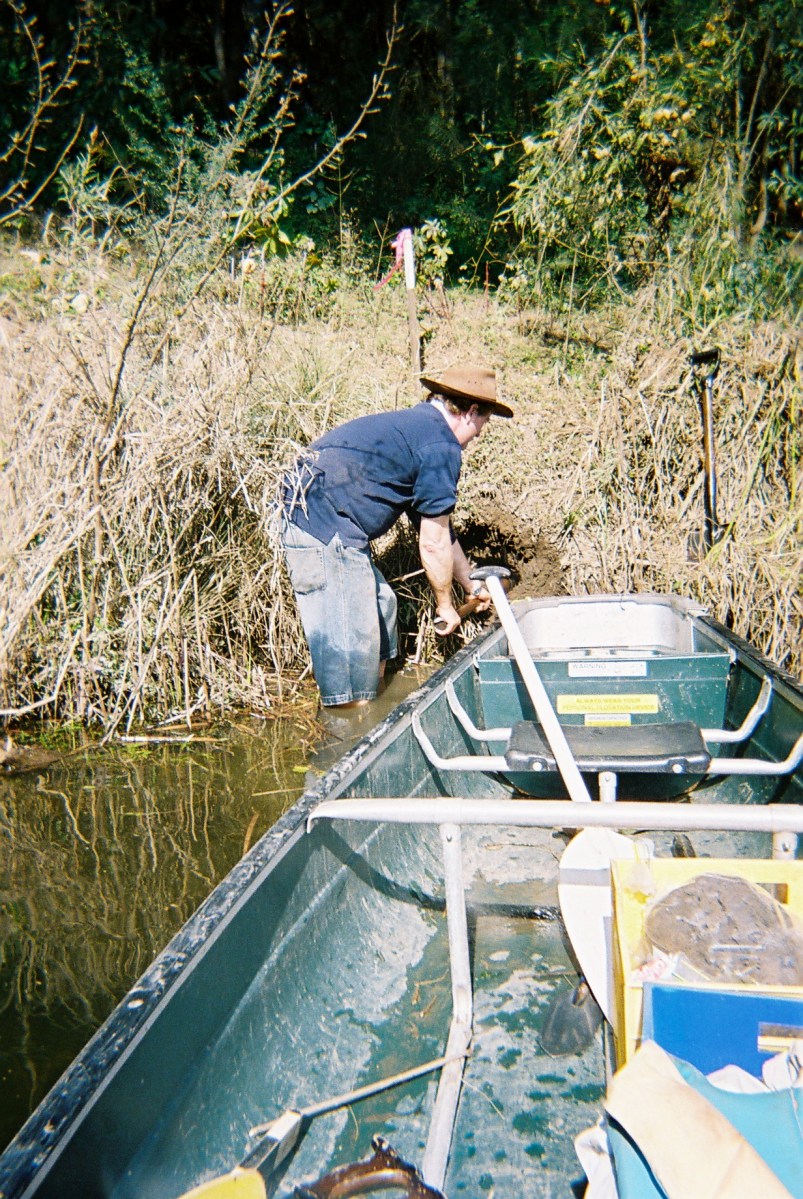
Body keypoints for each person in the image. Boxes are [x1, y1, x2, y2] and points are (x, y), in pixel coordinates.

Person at [279, 363, 513, 708]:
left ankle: (374, 703)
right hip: (321, 525)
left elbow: (439, 528)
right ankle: (352, 719)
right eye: (482, 425)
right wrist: (445, 605)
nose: (477, 437)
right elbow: (432, 544)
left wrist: (471, 585)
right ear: (470, 411)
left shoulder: (418, 430)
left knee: (382, 608)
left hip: (329, 521)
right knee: (352, 648)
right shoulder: (440, 445)